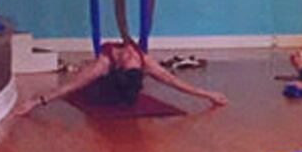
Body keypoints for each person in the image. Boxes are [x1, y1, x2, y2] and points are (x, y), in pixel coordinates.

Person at [16, 38, 227, 115]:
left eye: (133, 59)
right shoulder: (109, 64)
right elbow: (69, 86)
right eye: (130, 58)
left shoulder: (134, 61)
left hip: (113, 88)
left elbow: (174, 81)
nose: (131, 55)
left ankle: (120, 93)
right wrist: (35, 102)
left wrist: (209, 95)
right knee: (84, 79)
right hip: (108, 83)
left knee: (88, 79)